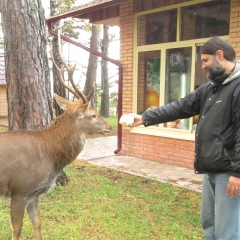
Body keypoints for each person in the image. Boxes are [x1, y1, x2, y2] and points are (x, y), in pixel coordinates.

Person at [131, 37, 240, 240]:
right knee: (209, 225)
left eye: (206, 60)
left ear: (220, 55)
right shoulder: (211, 88)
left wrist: (238, 172)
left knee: (227, 231)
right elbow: (180, 106)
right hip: (211, 168)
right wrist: (145, 117)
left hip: (229, 172)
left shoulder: (237, 87)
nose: (203, 65)